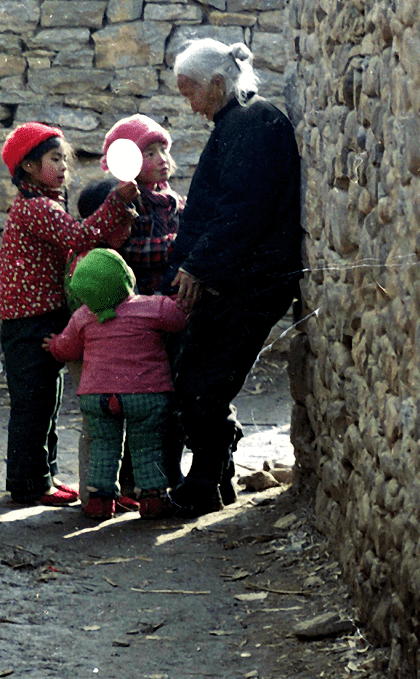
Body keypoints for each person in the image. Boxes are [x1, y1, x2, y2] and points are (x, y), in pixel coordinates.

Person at [164, 38, 303, 518]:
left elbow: (241, 212)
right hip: (237, 276)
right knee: (202, 379)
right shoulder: (240, 121)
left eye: (191, 95)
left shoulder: (252, 124)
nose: (190, 106)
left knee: (204, 380)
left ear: (218, 84)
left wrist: (199, 267)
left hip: (248, 280)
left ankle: (205, 483)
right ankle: (214, 480)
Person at [0, 122, 138, 506]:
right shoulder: (36, 208)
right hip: (29, 321)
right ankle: (28, 483)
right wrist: (115, 204)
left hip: (42, 316)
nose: (63, 167)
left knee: (47, 399)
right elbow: (79, 238)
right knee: (33, 403)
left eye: (65, 159)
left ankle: (44, 476)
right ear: (27, 166)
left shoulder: (45, 204)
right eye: (54, 159)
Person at [45, 249, 190, 521]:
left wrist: (52, 345)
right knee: (147, 445)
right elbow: (178, 319)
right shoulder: (151, 307)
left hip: (97, 397)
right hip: (145, 395)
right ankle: (153, 500)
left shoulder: (82, 317)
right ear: (126, 277)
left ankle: (99, 502)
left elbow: (66, 349)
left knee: (103, 445)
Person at [64, 178, 139, 512]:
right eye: (123, 218)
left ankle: (110, 489)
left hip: (100, 355)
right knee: (95, 425)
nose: (130, 225)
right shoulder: (89, 263)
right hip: (91, 355)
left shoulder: (105, 256)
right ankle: (93, 492)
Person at [100, 114, 184, 296]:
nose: (162, 159)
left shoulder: (171, 197)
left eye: (164, 150)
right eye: (151, 154)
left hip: (173, 287)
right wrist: (172, 245)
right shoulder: (128, 200)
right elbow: (129, 249)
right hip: (143, 292)